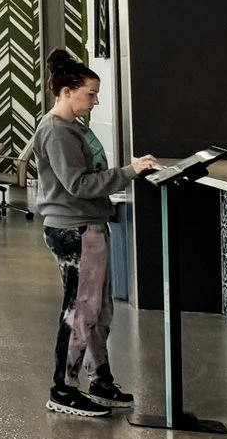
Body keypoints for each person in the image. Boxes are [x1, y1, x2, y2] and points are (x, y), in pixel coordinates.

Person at [30, 48, 156, 418]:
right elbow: (79, 184)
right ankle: (64, 389)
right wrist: (129, 172)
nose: (95, 101)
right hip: (76, 228)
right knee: (81, 311)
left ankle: (99, 380)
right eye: (91, 94)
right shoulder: (57, 131)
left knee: (99, 309)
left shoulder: (72, 128)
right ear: (66, 91)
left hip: (88, 225)